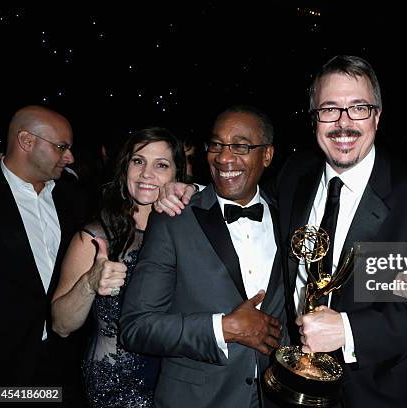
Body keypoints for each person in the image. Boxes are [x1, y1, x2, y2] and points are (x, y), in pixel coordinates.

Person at [153, 56, 407, 407]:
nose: (343, 123)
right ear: (314, 119)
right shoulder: (295, 175)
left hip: (370, 391)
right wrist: (190, 190)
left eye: (358, 108)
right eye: (329, 109)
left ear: (377, 115)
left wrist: (347, 331)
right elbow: (242, 194)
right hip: (284, 388)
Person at [120, 105, 287, 408]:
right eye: (216, 145)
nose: (224, 157)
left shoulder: (288, 216)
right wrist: (222, 328)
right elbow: (137, 327)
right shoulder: (174, 218)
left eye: (240, 146)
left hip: (274, 396)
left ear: (267, 155)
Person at [51, 127, 185, 407]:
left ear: (177, 175)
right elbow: (61, 325)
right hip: (114, 386)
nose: (147, 174)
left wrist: (194, 191)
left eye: (161, 165)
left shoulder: (189, 233)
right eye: (138, 161)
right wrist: (89, 282)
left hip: (177, 382)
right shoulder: (94, 237)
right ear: (125, 168)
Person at [0, 105, 89, 404]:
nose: (70, 157)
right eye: (62, 147)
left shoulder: (74, 195)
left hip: (68, 363)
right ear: (26, 141)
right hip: (4, 370)